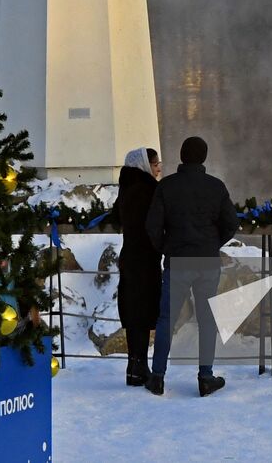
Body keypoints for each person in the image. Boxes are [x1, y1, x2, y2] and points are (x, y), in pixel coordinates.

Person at [145, 136, 239, 397]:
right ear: (204, 157)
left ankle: (158, 377)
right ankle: (205, 377)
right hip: (207, 262)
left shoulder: (167, 186)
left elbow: (152, 226)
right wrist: (212, 244)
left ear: (182, 156)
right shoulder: (216, 187)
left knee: (167, 320)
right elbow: (231, 223)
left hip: (177, 261)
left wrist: (166, 247)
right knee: (207, 320)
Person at [115, 147, 163, 387]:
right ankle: (141, 367)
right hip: (146, 259)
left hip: (129, 258)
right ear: (145, 165)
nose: (159, 168)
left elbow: (116, 216)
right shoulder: (150, 190)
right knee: (143, 313)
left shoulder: (125, 188)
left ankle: (133, 365)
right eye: (155, 164)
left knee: (134, 313)